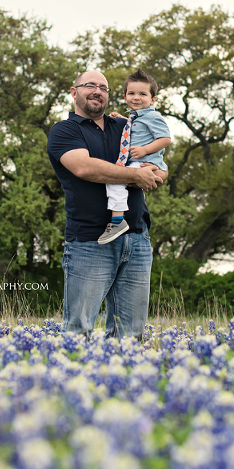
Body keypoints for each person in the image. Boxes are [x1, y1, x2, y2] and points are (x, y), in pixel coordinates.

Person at [46, 70, 167, 339]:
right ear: (73, 91)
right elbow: (84, 168)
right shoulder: (65, 130)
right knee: (79, 331)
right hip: (90, 240)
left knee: (132, 335)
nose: (97, 91)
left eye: (103, 87)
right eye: (90, 85)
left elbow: (158, 167)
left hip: (136, 238)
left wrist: (153, 173)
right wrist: (136, 175)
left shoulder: (124, 127)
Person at [98, 69, 171, 244]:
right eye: (131, 93)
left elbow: (165, 139)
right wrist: (123, 118)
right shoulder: (135, 117)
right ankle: (122, 218)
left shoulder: (154, 116)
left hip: (144, 161)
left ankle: (117, 221)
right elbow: (137, 128)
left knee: (115, 179)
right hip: (138, 161)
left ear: (153, 99)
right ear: (125, 96)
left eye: (142, 94)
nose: (136, 97)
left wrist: (145, 150)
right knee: (125, 185)